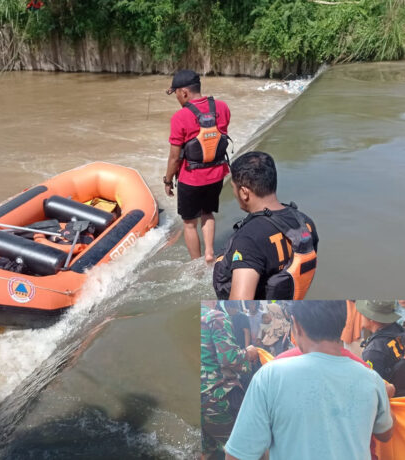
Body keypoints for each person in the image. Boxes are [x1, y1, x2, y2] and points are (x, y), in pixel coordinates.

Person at [224, 300, 394, 460]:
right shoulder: (371, 379)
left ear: (296, 325)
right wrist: (382, 400)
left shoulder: (270, 376)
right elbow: (385, 434)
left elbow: (237, 455)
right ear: (344, 323)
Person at [212, 151, 318, 300]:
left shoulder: (249, 239)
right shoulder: (306, 223)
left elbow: (239, 306)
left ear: (244, 192)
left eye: (233, 188)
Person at [163, 69, 232, 263]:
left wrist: (168, 180)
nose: (176, 97)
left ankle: (197, 262)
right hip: (217, 174)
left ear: (184, 92)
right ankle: (210, 252)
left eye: (175, 93)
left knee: (189, 223)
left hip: (191, 178)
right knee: (207, 213)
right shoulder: (222, 107)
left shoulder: (179, 117)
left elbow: (174, 157)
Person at [201, 301, 258, 459]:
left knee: (206, 449)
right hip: (216, 398)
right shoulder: (214, 317)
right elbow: (230, 359)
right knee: (241, 449)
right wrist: (249, 353)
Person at [357, 300, 405, 397]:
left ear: (371, 319)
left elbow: (372, 392)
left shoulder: (374, 350)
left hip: (395, 407)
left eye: (363, 313)